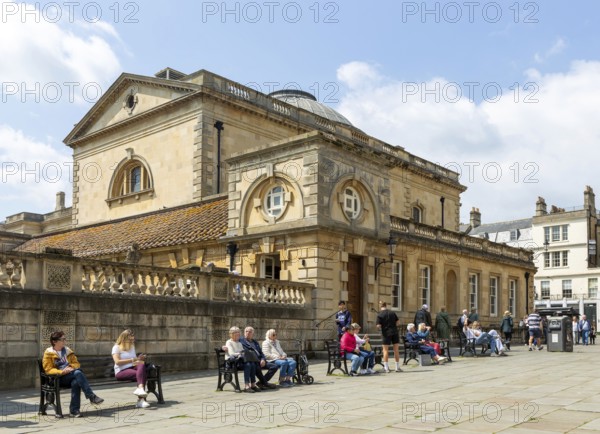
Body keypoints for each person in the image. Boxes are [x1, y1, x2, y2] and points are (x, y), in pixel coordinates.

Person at [42, 331, 104, 418]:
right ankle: (90, 397)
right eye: (62, 339)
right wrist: (62, 371)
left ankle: (74, 411)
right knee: (78, 373)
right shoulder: (48, 353)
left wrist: (70, 367)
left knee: (76, 381)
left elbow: (76, 364)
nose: (65, 341)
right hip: (57, 379)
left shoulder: (67, 351)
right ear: (54, 341)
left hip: (70, 375)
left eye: (65, 339)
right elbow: (48, 370)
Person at [111, 329, 150, 408]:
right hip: (121, 371)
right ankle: (141, 400)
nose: (132, 341)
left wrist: (140, 359)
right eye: (130, 340)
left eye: (133, 339)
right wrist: (133, 359)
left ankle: (140, 389)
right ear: (124, 339)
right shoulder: (116, 347)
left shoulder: (132, 347)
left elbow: (135, 362)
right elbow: (117, 362)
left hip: (133, 367)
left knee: (141, 365)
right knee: (142, 374)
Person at [225, 326, 259, 393]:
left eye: (238, 332)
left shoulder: (239, 343)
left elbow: (243, 352)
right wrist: (240, 354)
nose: (238, 334)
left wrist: (242, 353)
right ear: (231, 334)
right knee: (248, 365)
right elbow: (232, 354)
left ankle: (253, 384)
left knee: (252, 364)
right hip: (233, 363)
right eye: (235, 332)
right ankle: (246, 386)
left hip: (240, 361)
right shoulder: (229, 342)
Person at [376, 301, 401, 373]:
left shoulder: (380, 314)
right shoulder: (392, 313)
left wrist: (380, 327)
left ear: (380, 306)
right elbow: (398, 322)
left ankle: (386, 368)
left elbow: (378, 326)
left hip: (386, 333)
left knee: (385, 350)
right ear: (386, 305)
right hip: (395, 332)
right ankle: (397, 367)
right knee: (396, 350)